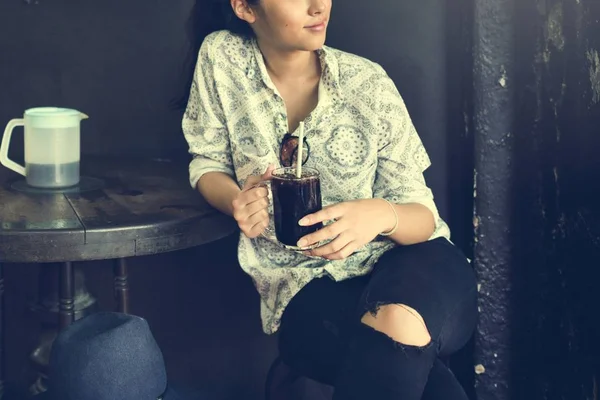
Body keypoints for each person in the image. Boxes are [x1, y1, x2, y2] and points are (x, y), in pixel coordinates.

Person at [179, 1, 478, 399]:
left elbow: (422, 219)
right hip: (302, 285)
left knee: (398, 323)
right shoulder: (223, 60)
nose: (319, 6)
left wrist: (379, 215)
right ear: (244, 7)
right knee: (417, 377)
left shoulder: (367, 83)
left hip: (417, 265)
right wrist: (237, 199)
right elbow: (207, 162)